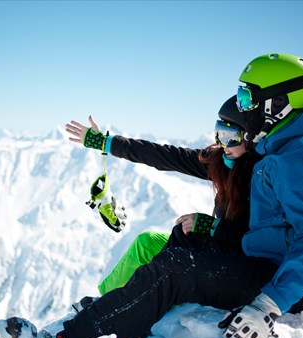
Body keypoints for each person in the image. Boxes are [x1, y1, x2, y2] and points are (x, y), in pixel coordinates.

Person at [0, 53, 303, 338]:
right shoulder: (276, 145)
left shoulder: (301, 156)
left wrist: (269, 304)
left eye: (248, 96)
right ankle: (130, 311)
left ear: (276, 103)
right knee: (185, 238)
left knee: (176, 269)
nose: (242, 105)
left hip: (302, 285)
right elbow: (172, 156)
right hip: (274, 259)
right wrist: (107, 143)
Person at [75, 95, 258, 302]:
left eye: (231, 136)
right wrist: (106, 143)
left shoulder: (262, 180)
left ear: (252, 139)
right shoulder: (221, 164)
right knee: (146, 242)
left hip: (235, 266)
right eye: (219, 134)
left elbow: (262, 243)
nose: (224, 145)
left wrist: (213, 227)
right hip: (216, 246)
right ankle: (104, 302)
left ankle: (134, 304)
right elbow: (163, 155)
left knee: (169, 260)